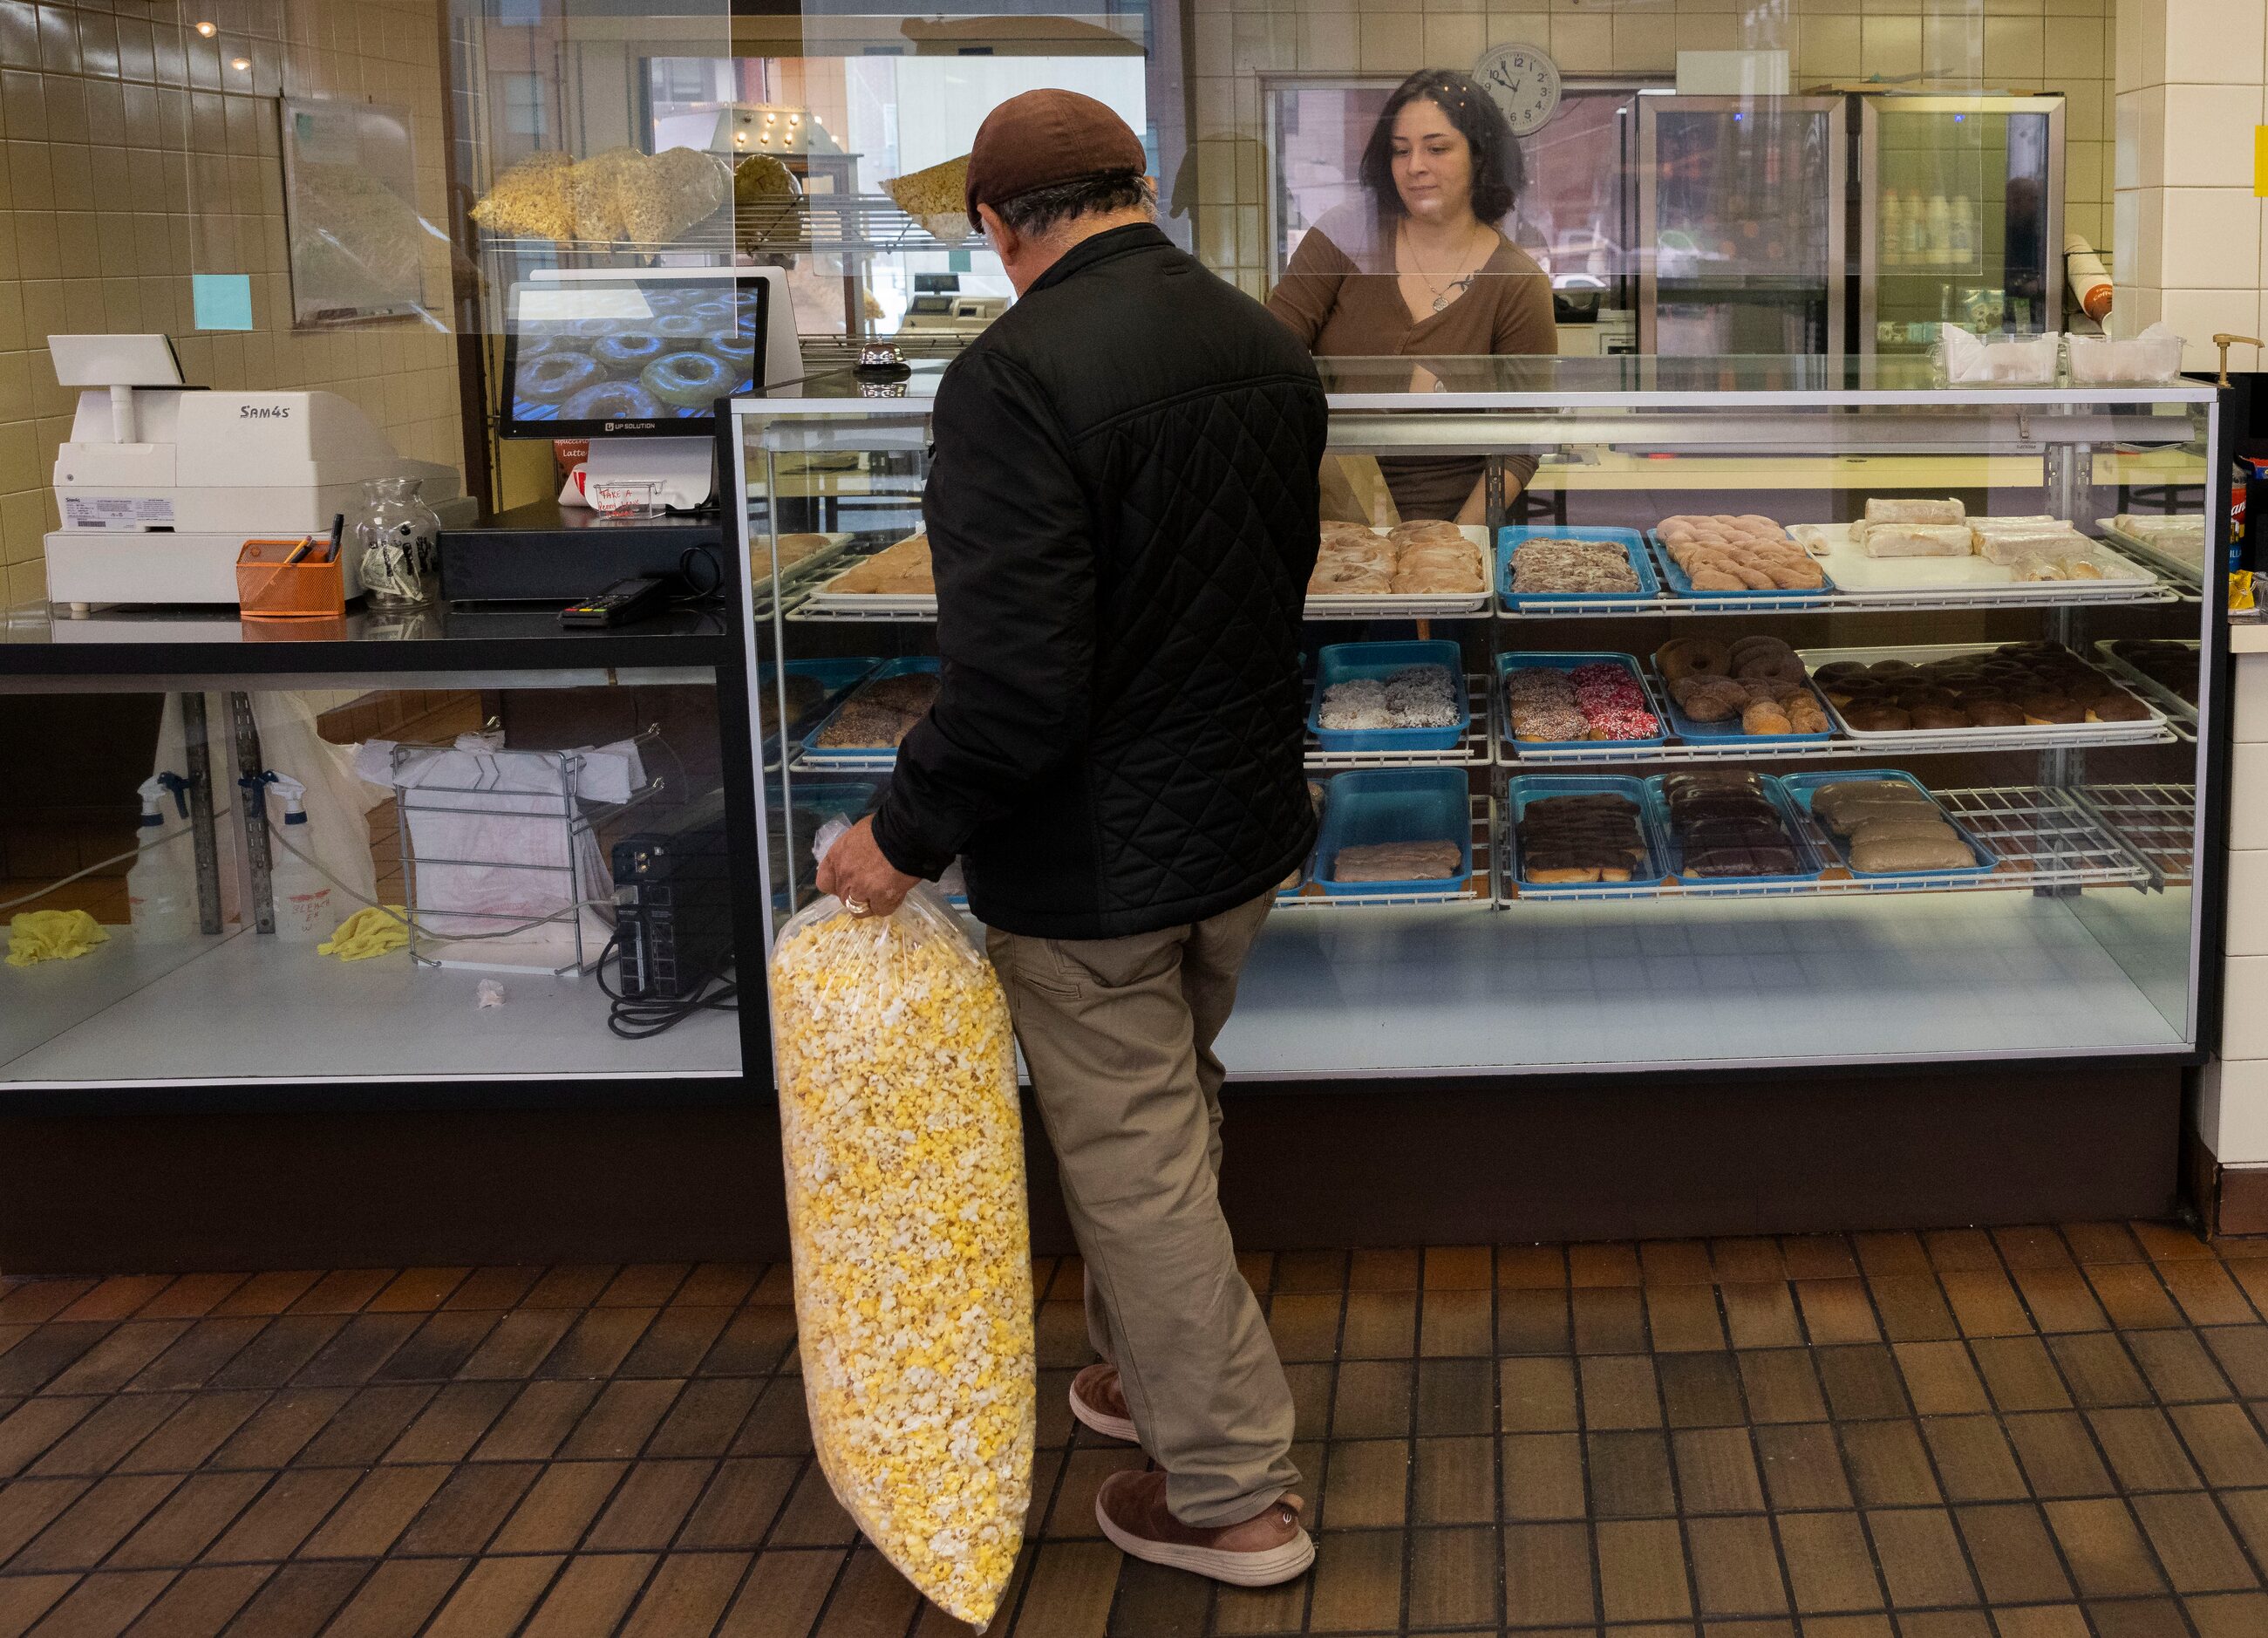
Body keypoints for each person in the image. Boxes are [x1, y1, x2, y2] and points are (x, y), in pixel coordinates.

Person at [816, 89, 1329, 1588]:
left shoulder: (1009, 379)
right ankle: (1141, 1374)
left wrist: (897, 835)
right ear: (1143, 184)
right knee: (1170, 1110)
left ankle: (1233, 1491)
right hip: (1237, 822)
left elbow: (1020, 682)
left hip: (1096, 860)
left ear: (993, 228)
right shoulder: (1261, 345)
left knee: (1135, 1159)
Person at [1268, 67, 1556, 522]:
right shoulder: (1346, 237)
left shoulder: (1516, 281)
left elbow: (1523, 439)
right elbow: (1269, 355)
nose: (1414, 166)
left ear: (1480, 158)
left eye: (1437, 148)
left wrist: (1458, 547)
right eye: (1400, 151)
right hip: (1331, 519)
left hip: (1451, 522)